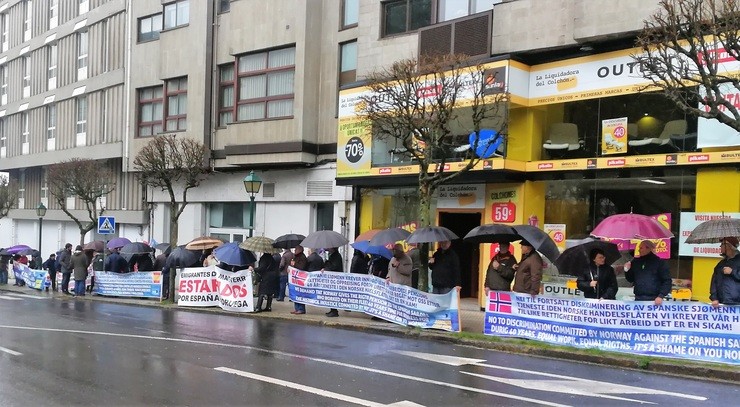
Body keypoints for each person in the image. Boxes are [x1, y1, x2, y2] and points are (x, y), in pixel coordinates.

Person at [624, 240, 671, 305]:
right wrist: (627, 270)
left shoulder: (659, 263)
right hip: (638, 298)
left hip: (654, 300)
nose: (639, 250)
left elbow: (667, 281)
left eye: (641, 248)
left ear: (648, 248)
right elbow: (630, 279)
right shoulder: (635, 262)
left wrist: (661, 295)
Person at [710, 237, 740, 307]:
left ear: (729, 246)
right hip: (722, 304)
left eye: (722, 244)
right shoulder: (721, 264)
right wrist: (714, 298)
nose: (720, 246)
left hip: (737, 304)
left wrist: (732, 272)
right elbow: (714, 282)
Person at [323, 247, 343, 317]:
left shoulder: (336, 256)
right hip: (333, 278)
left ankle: (334, 311)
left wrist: (327, 267)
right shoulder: (333, 255)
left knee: (333, 295)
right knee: (331, 295)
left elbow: (334, 266)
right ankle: (332, 310)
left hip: (335, 278)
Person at [291, 245, 309, 315]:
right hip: (295, 278)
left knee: (300, 294)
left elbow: (302, 267)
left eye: (296, 250)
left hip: (300, 278)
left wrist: (294, 264)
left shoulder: (302, 257)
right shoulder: (296, 257)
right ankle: (297, 308)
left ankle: (301, 309)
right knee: (296, 293)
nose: (295, 251)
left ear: (300, 250)